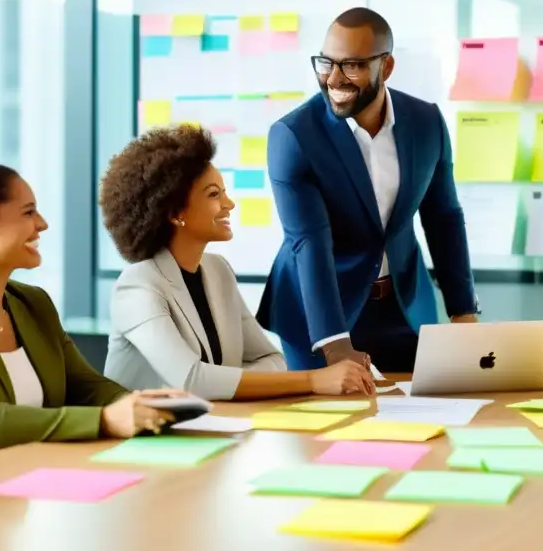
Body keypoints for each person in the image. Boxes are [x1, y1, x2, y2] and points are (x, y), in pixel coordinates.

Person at [255, 7, 480, 373]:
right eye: (326, 63)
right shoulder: (294, 136)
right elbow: (308, 239)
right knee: (327, 424)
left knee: (418, 420)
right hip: (319, 317)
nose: (334, 79)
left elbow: (444, 219)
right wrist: (334, 344)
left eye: (352, 66)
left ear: (386, 68)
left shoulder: (426, 123)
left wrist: (463, 311)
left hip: (404, 309)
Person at [0, 139, 178, 465]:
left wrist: (140, 404)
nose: (42, 224)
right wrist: (104, 420)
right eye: (28, 212)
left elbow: (85, 387)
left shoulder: (32, 303)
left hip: (34, 484)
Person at [100, 125, 374, 400]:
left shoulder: (218, 271)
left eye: (224, 191)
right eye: (213, 194)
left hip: (212, 425)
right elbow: (193, 380)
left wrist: (224, 381)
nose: (229, 204)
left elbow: (272, 359)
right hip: (143, 438)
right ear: (175, 212)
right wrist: (313, 379)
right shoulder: (137, 286)